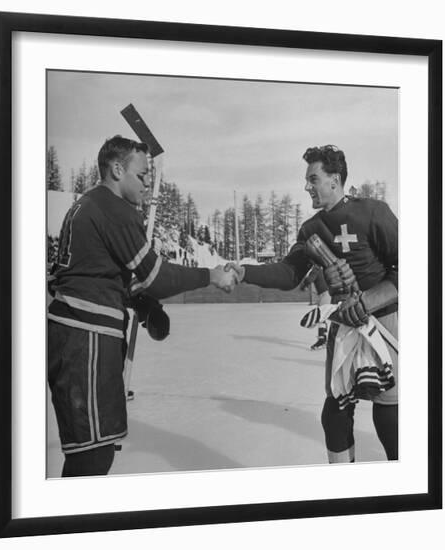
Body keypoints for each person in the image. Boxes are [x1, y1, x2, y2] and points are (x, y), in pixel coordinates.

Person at [47, 135, 237, 477]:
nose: (148, 182)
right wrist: (211, 275)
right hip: (84, 340)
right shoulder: (113, 209)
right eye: (142, 174)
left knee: (96, 449)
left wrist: (141, 301)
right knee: (90, 456)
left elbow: (98, 271)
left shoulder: (90, 203)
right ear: (117, 169)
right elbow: (158, 276)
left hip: (80, 336)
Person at [227, 145, 398, 463]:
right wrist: (245, 271)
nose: (307, 186)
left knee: (390, 413)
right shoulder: (311, 229)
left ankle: (400, 485)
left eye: (313, 178)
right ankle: (343, 492)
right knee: (335, 411)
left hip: (383, 324)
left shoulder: (374, 212)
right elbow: (289, 273)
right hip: (343, 325)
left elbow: (408, 266)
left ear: (334, 179)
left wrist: (368, 302)